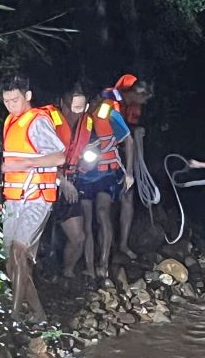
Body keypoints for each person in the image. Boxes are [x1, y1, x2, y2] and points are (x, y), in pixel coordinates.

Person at [0, 75, 66, 322]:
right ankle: (39, 314)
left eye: (14, 100)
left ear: (27, 96)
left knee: (19, 253)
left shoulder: (38, 121)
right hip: (14, 199)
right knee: (12, 263)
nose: (10, 105)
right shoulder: (10, 121)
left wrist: (27, 163)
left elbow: (59, 157)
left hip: (37, 197)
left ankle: (14, 315)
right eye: (6, 101)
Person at [74, 92, 133, 279]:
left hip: (107, 172)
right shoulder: (75, 116)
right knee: (86, 220)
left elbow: (128, 140)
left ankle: (103, 264)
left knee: (102, 213)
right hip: (84, 174)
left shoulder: (109, 114)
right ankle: (90, 268)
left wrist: (129, 173)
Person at [102, 73, 151, 259]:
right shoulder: (109, 102)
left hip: (122, 155)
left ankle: (123, 243)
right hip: (105, 157)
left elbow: (128, 130)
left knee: (127, 198)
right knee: (104, 204)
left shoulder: (130, 105)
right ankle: (105, 250)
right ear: (136, 93)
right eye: (143, 97)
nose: (144, 103)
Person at [51, 86, 89, 279]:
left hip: (71, 185)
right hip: (47, 187)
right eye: (72, 108)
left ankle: (68, 274)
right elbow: (41, 158)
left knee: (79, 238)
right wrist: (62, 181)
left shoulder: (86, 123)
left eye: (79, 109)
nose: (75, 113)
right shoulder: (48, 123)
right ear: (62, 105)